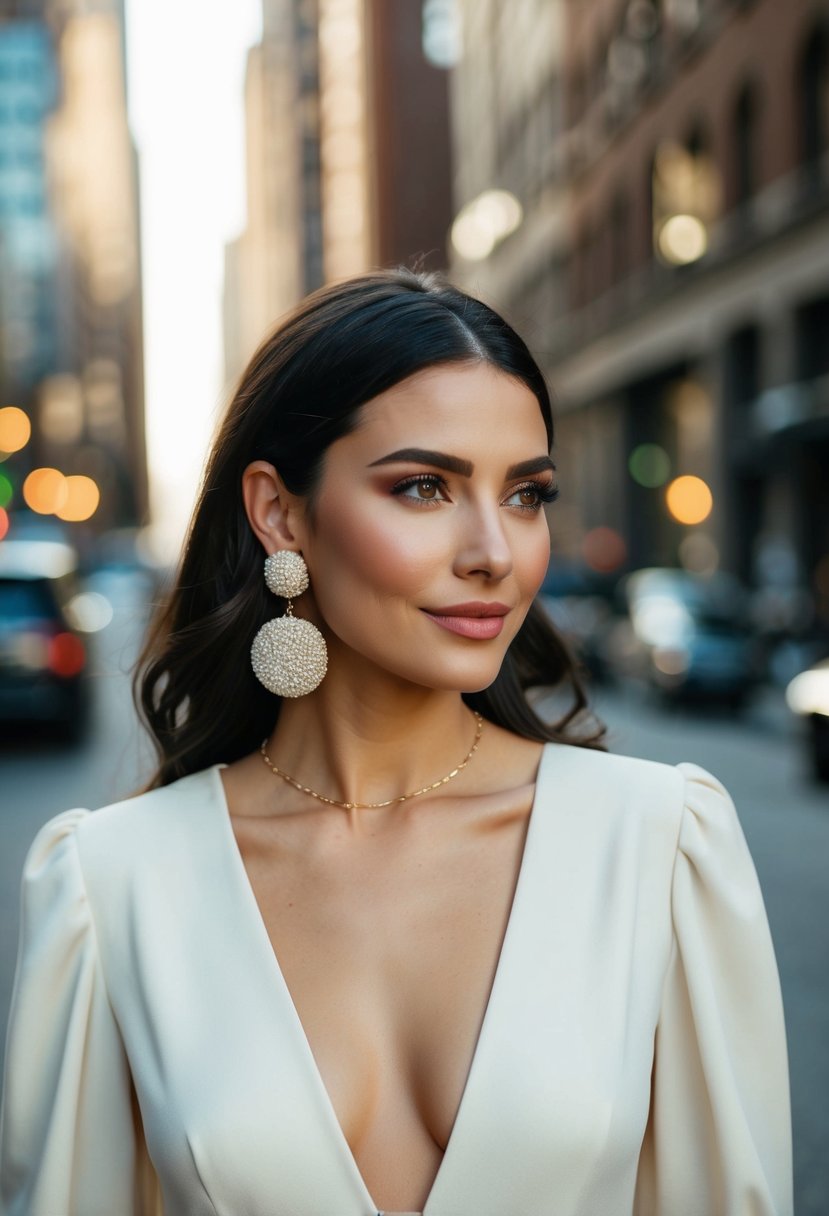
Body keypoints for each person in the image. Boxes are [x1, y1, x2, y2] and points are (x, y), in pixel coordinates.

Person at [0, 268, 792, 1216]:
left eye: (527, 495)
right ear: (278, 512)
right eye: (424, 487)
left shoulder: (660, 845)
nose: (495, 552)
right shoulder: (113, 884)